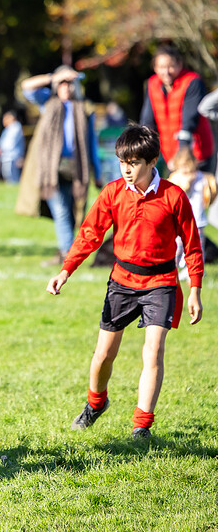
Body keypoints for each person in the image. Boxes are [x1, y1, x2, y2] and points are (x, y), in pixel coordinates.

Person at [46, 125, 203, 439]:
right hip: (122, 280)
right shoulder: (113, 192)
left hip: (161, 281)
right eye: (123, 163)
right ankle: (95, 403)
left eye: (134, 163)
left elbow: (192, 244)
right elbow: (90, 233)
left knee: (153, 350)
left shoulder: (173, 196)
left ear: (152, 161)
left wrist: (195, 290)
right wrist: (66, 270)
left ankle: (141, 425)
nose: (127, 170)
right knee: (103, 354)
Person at [16, 65, 101, 267]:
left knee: (74, 211)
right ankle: (67, 253)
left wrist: (97, 172)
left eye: (70, 83)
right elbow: (26, 87)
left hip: (76, 168)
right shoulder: (48, 103)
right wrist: (53, 76)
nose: (66, 87)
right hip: (51, 170)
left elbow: (92, 144)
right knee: (61, 210)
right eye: (62, 84)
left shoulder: (85, 108)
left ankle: (66, 251)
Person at [140, 44, 214, 174]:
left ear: (180, 64)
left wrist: (181, 158)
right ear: (155, 68)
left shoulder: (192, 82)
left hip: (196, 154)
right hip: (170, 154)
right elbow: (147, 120)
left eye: (171, 66)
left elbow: (189, 121)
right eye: (162, 67)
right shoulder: (153, 84)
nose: (166, 71)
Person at [167, 147, 216, 279]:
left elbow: (210, 193)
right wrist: (185, 184)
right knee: (178, 245)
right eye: (182, 166)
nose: (186, 170)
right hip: (180, 220)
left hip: (198, 219)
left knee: (197, 246)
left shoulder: (202, 177)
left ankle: (196, 271)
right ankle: (173, 269)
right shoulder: (176, 178)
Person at [0, 110, 25, 184]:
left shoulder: (15, 127)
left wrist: (2, 149)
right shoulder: (8, 129)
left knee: (12, 176)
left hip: (12, 156)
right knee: (8, 175)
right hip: (7, 156)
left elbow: (9, 143)